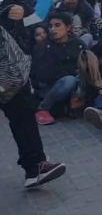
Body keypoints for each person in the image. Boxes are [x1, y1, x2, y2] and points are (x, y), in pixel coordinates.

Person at [1, 23, 67, 188]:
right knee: (22, 118)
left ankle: (34, 165)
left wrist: (12, 13)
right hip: (8, 80)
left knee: (22, 118)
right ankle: (34, 166)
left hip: (13, 74)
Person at [30, 12, 84, 125]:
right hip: (51, 87)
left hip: (76, 85)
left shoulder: (77, 44)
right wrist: (72, 72)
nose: (53, 29)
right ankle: (43, 108)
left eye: (57, 25)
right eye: (50, 26)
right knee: (70, 80)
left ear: (68, 27)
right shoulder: (43, 47)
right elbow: (42, 75)